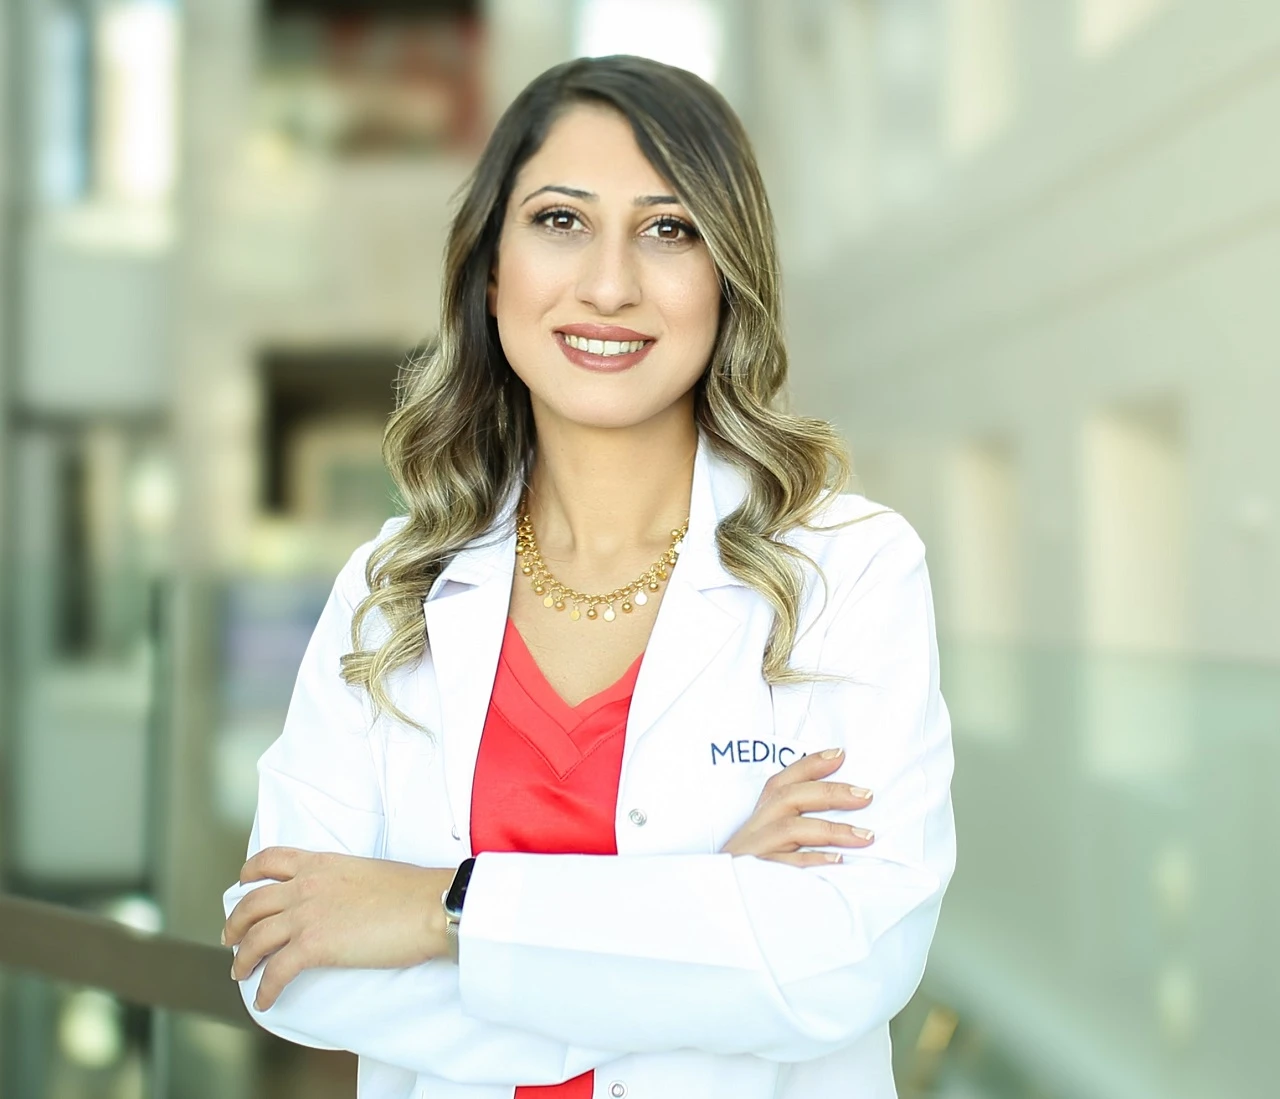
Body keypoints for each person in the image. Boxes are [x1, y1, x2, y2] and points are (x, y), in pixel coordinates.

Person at [221, 54, 955, 1099]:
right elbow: (281, 955)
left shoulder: (850, 569)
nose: (609, 285)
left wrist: (439, 909)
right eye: (560, 220)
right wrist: (704, 913)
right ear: (489, 270)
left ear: (727, 277)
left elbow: (842, 961)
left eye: (669, 230)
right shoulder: (389, 586)